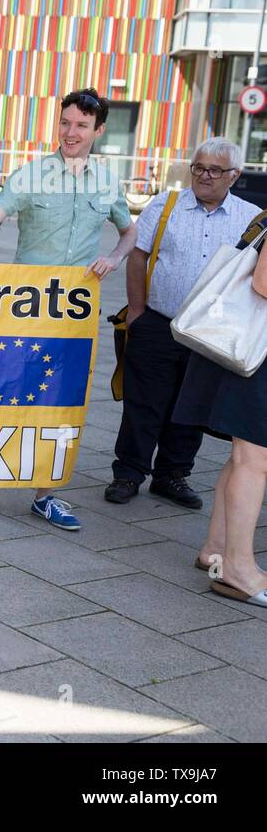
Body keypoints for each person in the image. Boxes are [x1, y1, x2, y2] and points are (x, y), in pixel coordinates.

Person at [0, 88, 137, 530]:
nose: (70, 132)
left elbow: (128, 231)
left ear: (98, 130)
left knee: (59, 403)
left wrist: (115, 257)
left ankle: (46, 494)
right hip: (23, 306)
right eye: (65, 123)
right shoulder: (32, 175)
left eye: (81, 125)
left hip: (71, 314)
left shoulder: (106, 181)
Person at [106, 138, 259, 508]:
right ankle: (128, 473)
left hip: (210, 333)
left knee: (190, 409)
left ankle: (172, 476)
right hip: (158, 322)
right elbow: (138, 258)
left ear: (234, 175)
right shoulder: (166, 204)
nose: (204, 176)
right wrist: (138, 313)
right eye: (198, 167)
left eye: (214, 170)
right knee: (143, 404)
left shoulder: (250, 218)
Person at [172, 194, 267, 608]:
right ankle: (238, 568)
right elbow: (264, 281)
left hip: (244, 344)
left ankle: (216, 549)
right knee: (255, 460)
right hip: (256, 350)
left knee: (244, 456)